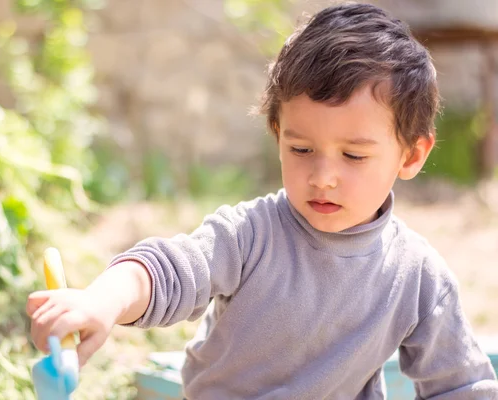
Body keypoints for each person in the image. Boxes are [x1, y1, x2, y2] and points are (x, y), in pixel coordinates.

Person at [27, 3, 498, 399]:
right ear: (277, 135)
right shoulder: (250, 235)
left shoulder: (418, 277)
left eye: (354, 155)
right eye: (300, 149)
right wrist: (103, 302)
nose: (323, 177)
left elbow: (461, 385)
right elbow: (170, 269)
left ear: (412, 155)